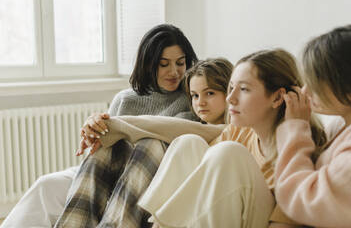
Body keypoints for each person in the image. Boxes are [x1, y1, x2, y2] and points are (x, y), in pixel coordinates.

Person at [91, 49, 326, 228]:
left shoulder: (301, 142)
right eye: (231, 88)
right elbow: (200, 171)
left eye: (243, 89)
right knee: (189, 142)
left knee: (228, 152)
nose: (231, 99)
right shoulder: (239, 131)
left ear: (278, 98)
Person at [1, 24, 198, 228]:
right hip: (110, 171)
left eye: (180, 63)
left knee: (150, 142)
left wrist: (123, 127)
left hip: (149, 176)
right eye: (164, 64)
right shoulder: (125, 99)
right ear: (148, 64)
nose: (174, 72)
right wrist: (95, 128)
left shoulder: (191, 97)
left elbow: (179, 135)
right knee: (47, 184)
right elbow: (103, 149)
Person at [54, 58, 233, 227]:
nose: (200, 102)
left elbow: (165, 127)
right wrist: (101, 127)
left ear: (229, 93)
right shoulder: (193, 122)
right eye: (194, 95)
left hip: (171, 200)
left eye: (210, 93)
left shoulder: (230, 130)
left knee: (151, 144)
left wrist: (114, 124)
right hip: (148, 185)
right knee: (108, 148)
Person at [274, 24, 351, 228]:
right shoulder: (344, 126)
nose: (305, 90)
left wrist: (295, 128)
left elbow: (306, 201)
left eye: (316, 83)